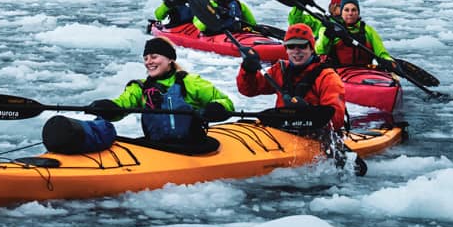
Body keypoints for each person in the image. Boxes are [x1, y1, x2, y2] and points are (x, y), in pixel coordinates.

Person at [87, 37, 233, 155]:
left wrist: (217, 107)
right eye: (146, 58)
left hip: (193, 146)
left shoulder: (190, 82)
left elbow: (226, 102)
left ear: (170, 60)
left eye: (154, 57)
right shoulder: (140, 88)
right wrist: (108, 108)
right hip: (157, 148)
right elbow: (122, 105)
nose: (148, 62)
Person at [236, 23, 346, 130]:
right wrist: (248, 70)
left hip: (315, 135)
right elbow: (249, 90)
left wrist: (308, 112)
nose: (296, 51)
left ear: (311, 49)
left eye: (302, 46)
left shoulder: (328, 77)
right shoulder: (280, 70)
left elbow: (336, 121)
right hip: (282, 132)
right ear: (286, 50)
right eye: (291, 46)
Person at [315, 0, 392, 69]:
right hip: (339, 73)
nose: (350, 13)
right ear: (342, 13)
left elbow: (382, 53)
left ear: (358, 13)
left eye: (354, 10)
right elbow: (319, 51)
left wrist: (389, 63)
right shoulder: (329, 29)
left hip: (366, 71)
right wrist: (327, 36)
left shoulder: (369, 31)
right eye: (346, 10)